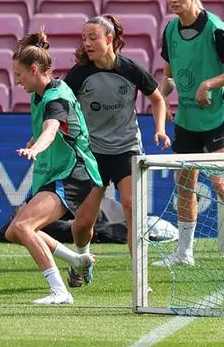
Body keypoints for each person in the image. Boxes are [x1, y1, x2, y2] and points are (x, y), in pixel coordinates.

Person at [63, 14, 171, 287]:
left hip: (127, 149)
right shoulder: (78, 75)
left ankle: (140, 279)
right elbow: (57, 107)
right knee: (83, 223)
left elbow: (157, 99)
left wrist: (160, 129)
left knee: (132, 207)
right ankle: (81, 260)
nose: (87, 43)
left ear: (109, 39)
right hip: (93, 153)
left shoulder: (130, 69)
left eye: (93, 38)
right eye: (84, 38)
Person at [154, 0, 224, 271]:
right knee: (184, 184)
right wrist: (159, 99)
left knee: (221, 183)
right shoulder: (170, 30)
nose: (173, 0)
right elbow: (169, 77)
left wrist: (208, 84)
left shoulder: (214, 29)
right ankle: (185, 252)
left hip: (217, 117)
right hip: (187, 119)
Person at [4, 29, 101, 305]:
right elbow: (46, 127)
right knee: (14, 231)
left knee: (24, 226)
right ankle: (77, 259)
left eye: (19, 74)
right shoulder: (42, 92)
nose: (17, 81)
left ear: (34, 69)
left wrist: (36, 147)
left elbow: (51, 128)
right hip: (56, 169)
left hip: (73, 171)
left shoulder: (55, 97)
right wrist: (35, 140)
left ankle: (60, 291)